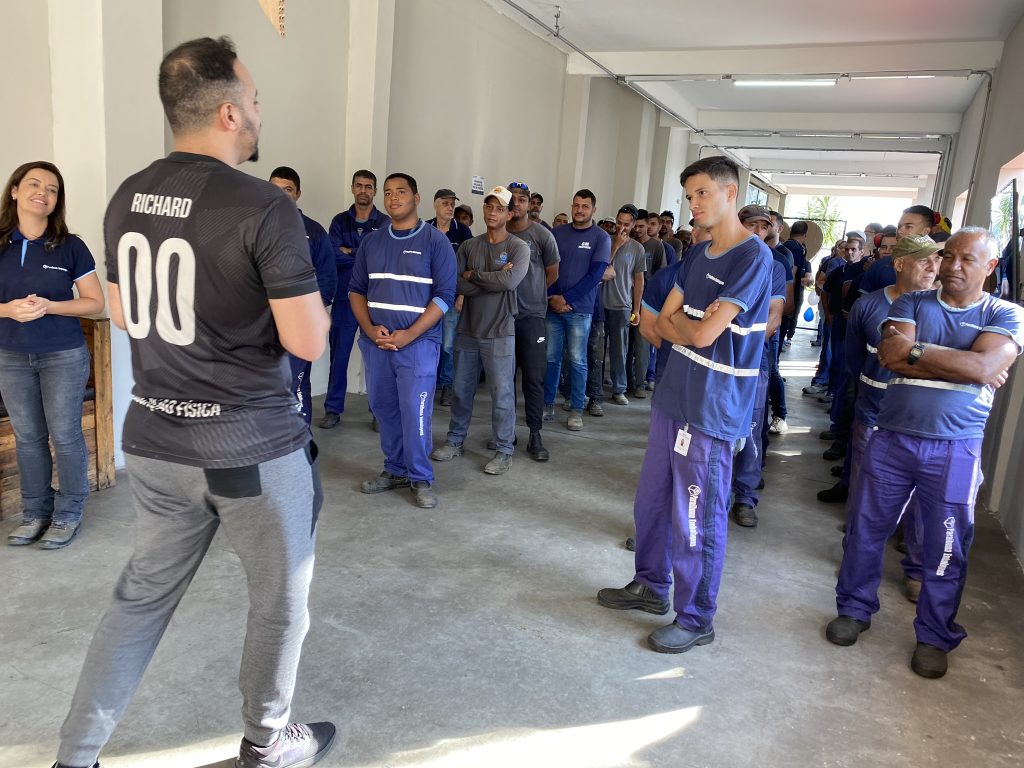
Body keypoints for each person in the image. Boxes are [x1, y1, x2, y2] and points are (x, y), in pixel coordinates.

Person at [55, 37, 334, 768]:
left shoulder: (126, 196)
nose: (260, 111)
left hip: (152, 442)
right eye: (256, 100)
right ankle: (269, 743)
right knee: (280, 604)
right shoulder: (264, 208)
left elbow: (121, 311)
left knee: (137, 603)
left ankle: (74, 757)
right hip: (249, 450)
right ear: (229, 111)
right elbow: (306, 342)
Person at [827, 227, 1024, 680]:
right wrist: (963, 364)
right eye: (947, 256)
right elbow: (892, 357)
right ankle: (854, 609)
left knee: (946, 545)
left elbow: (986, 366)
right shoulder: (912, 303)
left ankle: (934, 636)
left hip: (955, 448)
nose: (952, 267)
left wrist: (933, 356)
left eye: (967, 260)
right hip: (892, 437)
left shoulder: (1006, 313)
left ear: (990, 267)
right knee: (865, 529)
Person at [598, 156, 771, 654]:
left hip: (712, 407)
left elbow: (703, 332)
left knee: (696, 516)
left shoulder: (752, 258)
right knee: (652, 501)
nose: (693, 204)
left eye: (702, 193)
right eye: (690, 195)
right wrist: (689, 329)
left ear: (730, 193)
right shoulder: (697, 255)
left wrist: (690, 328)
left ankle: (696, 618)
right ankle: (651, 586)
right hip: (674, 393)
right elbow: (662, 325)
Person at [0, 162, 105, 550]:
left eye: (53, 189)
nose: (43, 192)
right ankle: (34, 513)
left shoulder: (70, 246)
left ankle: (68, 513)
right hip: (10, 356)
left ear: (57, 201)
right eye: (34, 183)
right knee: (28, 438)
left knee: (65, 436)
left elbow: (95, 302)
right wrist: (8, 310)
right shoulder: (0, 243)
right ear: (14, 191)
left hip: (62, 356)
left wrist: (50, 305)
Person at [836, 234, 942, 599]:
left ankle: (916, 570)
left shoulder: (941, 309)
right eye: (925, 261)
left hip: (919, 421)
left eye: (937, 261)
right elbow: (852, 360)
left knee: (922, 502)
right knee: (866, 494)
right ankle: (856, 559)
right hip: (873, 413)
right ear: (900, 264)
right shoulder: (868, 307)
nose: (934, 268)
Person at [350, 172, 456, 509]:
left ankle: (421, 478)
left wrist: (410, 333)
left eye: (401, 192)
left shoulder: (435, 242)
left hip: (418, 345)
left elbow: (444, 296)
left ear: (416, 198)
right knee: (384, 409)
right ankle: (394, 469)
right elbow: (356, 291)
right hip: (377, 343)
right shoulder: (372, 242)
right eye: (389, 192)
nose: (393, 198)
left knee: (416, 412)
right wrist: (369, 330)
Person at [430, 186, 528, 474]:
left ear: (510, 214)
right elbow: (455, 283)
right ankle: (455, 440)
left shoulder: (518, 248)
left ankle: (503, 449)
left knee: (502, 396)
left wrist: (475, 276)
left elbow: (510, 282)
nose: (493, 212)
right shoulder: (469, 246)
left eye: (500, 208)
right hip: (468, 331)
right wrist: (492, 278)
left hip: (500, 332)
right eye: (489, 206)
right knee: (461, 390)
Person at [730, 205, 788, 528]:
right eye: (751, 225)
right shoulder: (725, 258)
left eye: (762, 227)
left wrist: (742, 345)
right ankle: (717, 490)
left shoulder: (774, 266)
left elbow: (773, 316)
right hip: (718, 358)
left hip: (753, 359)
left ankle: (745, 496)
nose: (757, 232)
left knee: (751, 427)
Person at [268, 166, 338, 425]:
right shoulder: (254, 227)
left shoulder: (315, 232)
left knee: (295, 383)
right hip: (263, 327)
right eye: (275, 189)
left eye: (287, 190)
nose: (281, 195)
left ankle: (299, 446)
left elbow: (328, 279)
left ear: (297, 194)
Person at [321, 170, 390, 429]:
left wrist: (348, 251)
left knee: (376, 358)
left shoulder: (383, 223)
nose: (363, 190)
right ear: (352, 188)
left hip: (375, 301)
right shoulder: (339, 221)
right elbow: (332, 254)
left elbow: (380, 256)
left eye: (368, 186)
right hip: (344, 298)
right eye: (359, 186)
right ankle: (332, 409)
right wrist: (360, 252)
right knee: (339, 356)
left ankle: (378, 411)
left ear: (374, 191)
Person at [544, 189, 611, 431]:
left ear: (594, 209)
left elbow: (595, 276)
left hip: (580, 309)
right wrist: (552, 297)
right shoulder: (557, 233)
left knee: (577, 360)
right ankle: (547, 403)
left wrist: (567, 299)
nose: (579, 210)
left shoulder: (601, 238)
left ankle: (575, 410)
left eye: (585, 206)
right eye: (576, 205)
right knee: (551, 358)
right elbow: (547, 267)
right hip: (552, 307)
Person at [506, 181, 559, 460]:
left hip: (533, 317)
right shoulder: (496, 234)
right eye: (511, 199)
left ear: (530, 204)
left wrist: (533, 294)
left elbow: (552, 273)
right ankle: (506, 432)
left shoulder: (541, 235)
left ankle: (535, 434)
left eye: (522, 199)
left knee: (534, 377)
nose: (516, 203)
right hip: (502, 318)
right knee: (504, 379)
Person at [427, 188, 472, 407]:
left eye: (452, 204)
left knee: (448, 344)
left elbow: (470, 267)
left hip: (452, 298)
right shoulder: (424, 228)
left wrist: (462, 294)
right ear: (435, 204)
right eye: (445, 203)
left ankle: (446, 385)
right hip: (426, 297)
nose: (450, 207)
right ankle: (429, 383)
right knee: (427, 341)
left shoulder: (462, 232)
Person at [602, 204, 646, 406]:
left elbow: (638, 280)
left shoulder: (638, 249)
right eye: (619, 223)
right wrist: (616, 246)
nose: (621, 228)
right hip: (600, 304)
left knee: (620, 350)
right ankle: (595, 387)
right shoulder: (605, 241)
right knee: (596, 348)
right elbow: (601, 267)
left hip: (622, 306)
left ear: (634, 224)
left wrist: (636, 309)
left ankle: (619, 388)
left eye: (626, 224)